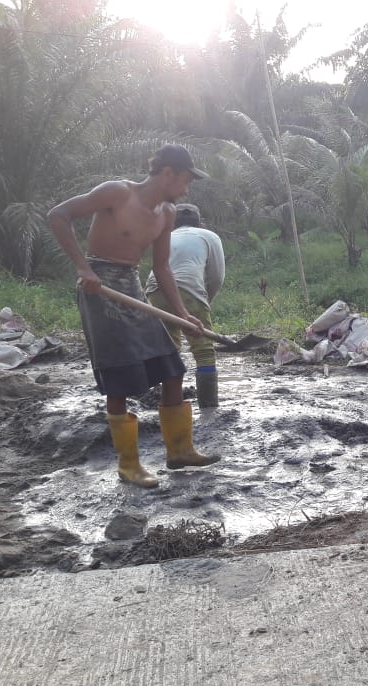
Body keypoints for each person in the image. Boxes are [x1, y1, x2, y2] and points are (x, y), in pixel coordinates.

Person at [47, 144, 221, 489]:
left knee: (172, 367)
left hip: (132, 285)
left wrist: (184, 314)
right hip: (99, 288)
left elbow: (161, 268)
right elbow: (58, 215)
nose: (186, 189)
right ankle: (129, 465)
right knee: (120, 375)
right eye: (185, 180)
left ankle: (180, 451)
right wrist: (83, 267)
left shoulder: (167, 214)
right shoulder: (117, 192)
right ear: (167, 173)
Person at [144, 203, 226, 408]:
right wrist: (205, 300)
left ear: (172, 222)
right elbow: (216, 276)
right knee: (204, 349)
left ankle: (169, 402)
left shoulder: (165, 236)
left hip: (155, 290)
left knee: (169, 350)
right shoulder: (209, 236)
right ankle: (209, 407)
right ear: (199, 222)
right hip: (189, 289)